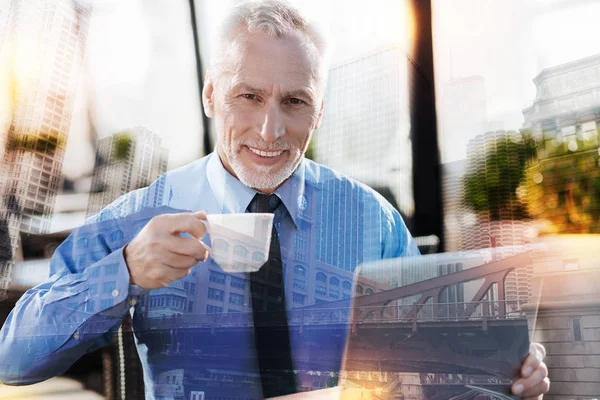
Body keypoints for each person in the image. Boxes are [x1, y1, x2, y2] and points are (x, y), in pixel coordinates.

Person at [0, 1, 549, 399]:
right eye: (250, 95)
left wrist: (507, 373)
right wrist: (122, 271)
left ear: (319, 110)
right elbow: (14, 361)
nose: (270, 129)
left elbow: (432, 360)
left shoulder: (370, 218)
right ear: (212, 95)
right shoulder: (138, 219)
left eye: (294, 101)